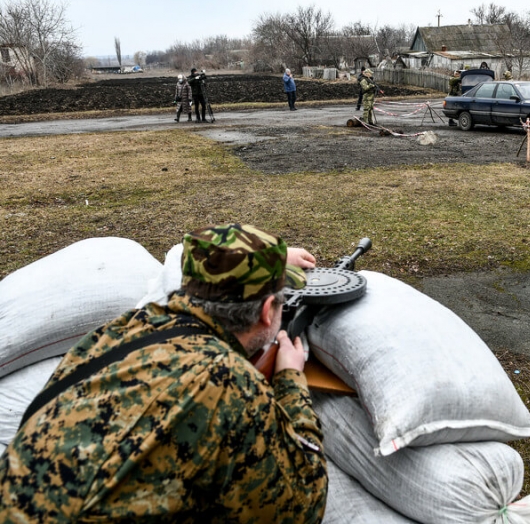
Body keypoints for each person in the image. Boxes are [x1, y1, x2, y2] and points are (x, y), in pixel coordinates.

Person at [0, 223, 327, 523]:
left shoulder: (120, 332)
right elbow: (300, 509)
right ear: (269, 312)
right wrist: (289, 380)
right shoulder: (230, 381)